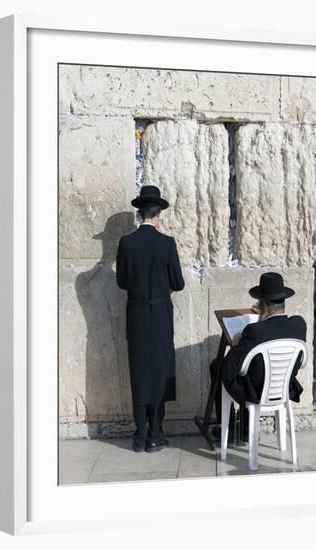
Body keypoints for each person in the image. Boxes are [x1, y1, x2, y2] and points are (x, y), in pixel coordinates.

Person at [116, 185, 185, 453]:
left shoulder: (126, 243)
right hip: (160, 314)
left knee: (140, 370)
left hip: (136, 312)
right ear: (159, 214)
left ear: (139, 212)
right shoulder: (166, 243)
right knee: (161, 370)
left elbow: (122, 281)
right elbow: (177, 283)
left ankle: (140, 434)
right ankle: (156, 432)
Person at [213, 272, 307, 441]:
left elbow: (228, 370)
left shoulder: (254, 331)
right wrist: (264, 316)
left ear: (263, 305)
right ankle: (246, 427)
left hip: (256, 392)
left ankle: (230, 426)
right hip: (283, 388)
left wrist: (235, 345)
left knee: (218, 366)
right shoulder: (299, 325)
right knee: (252, 368)